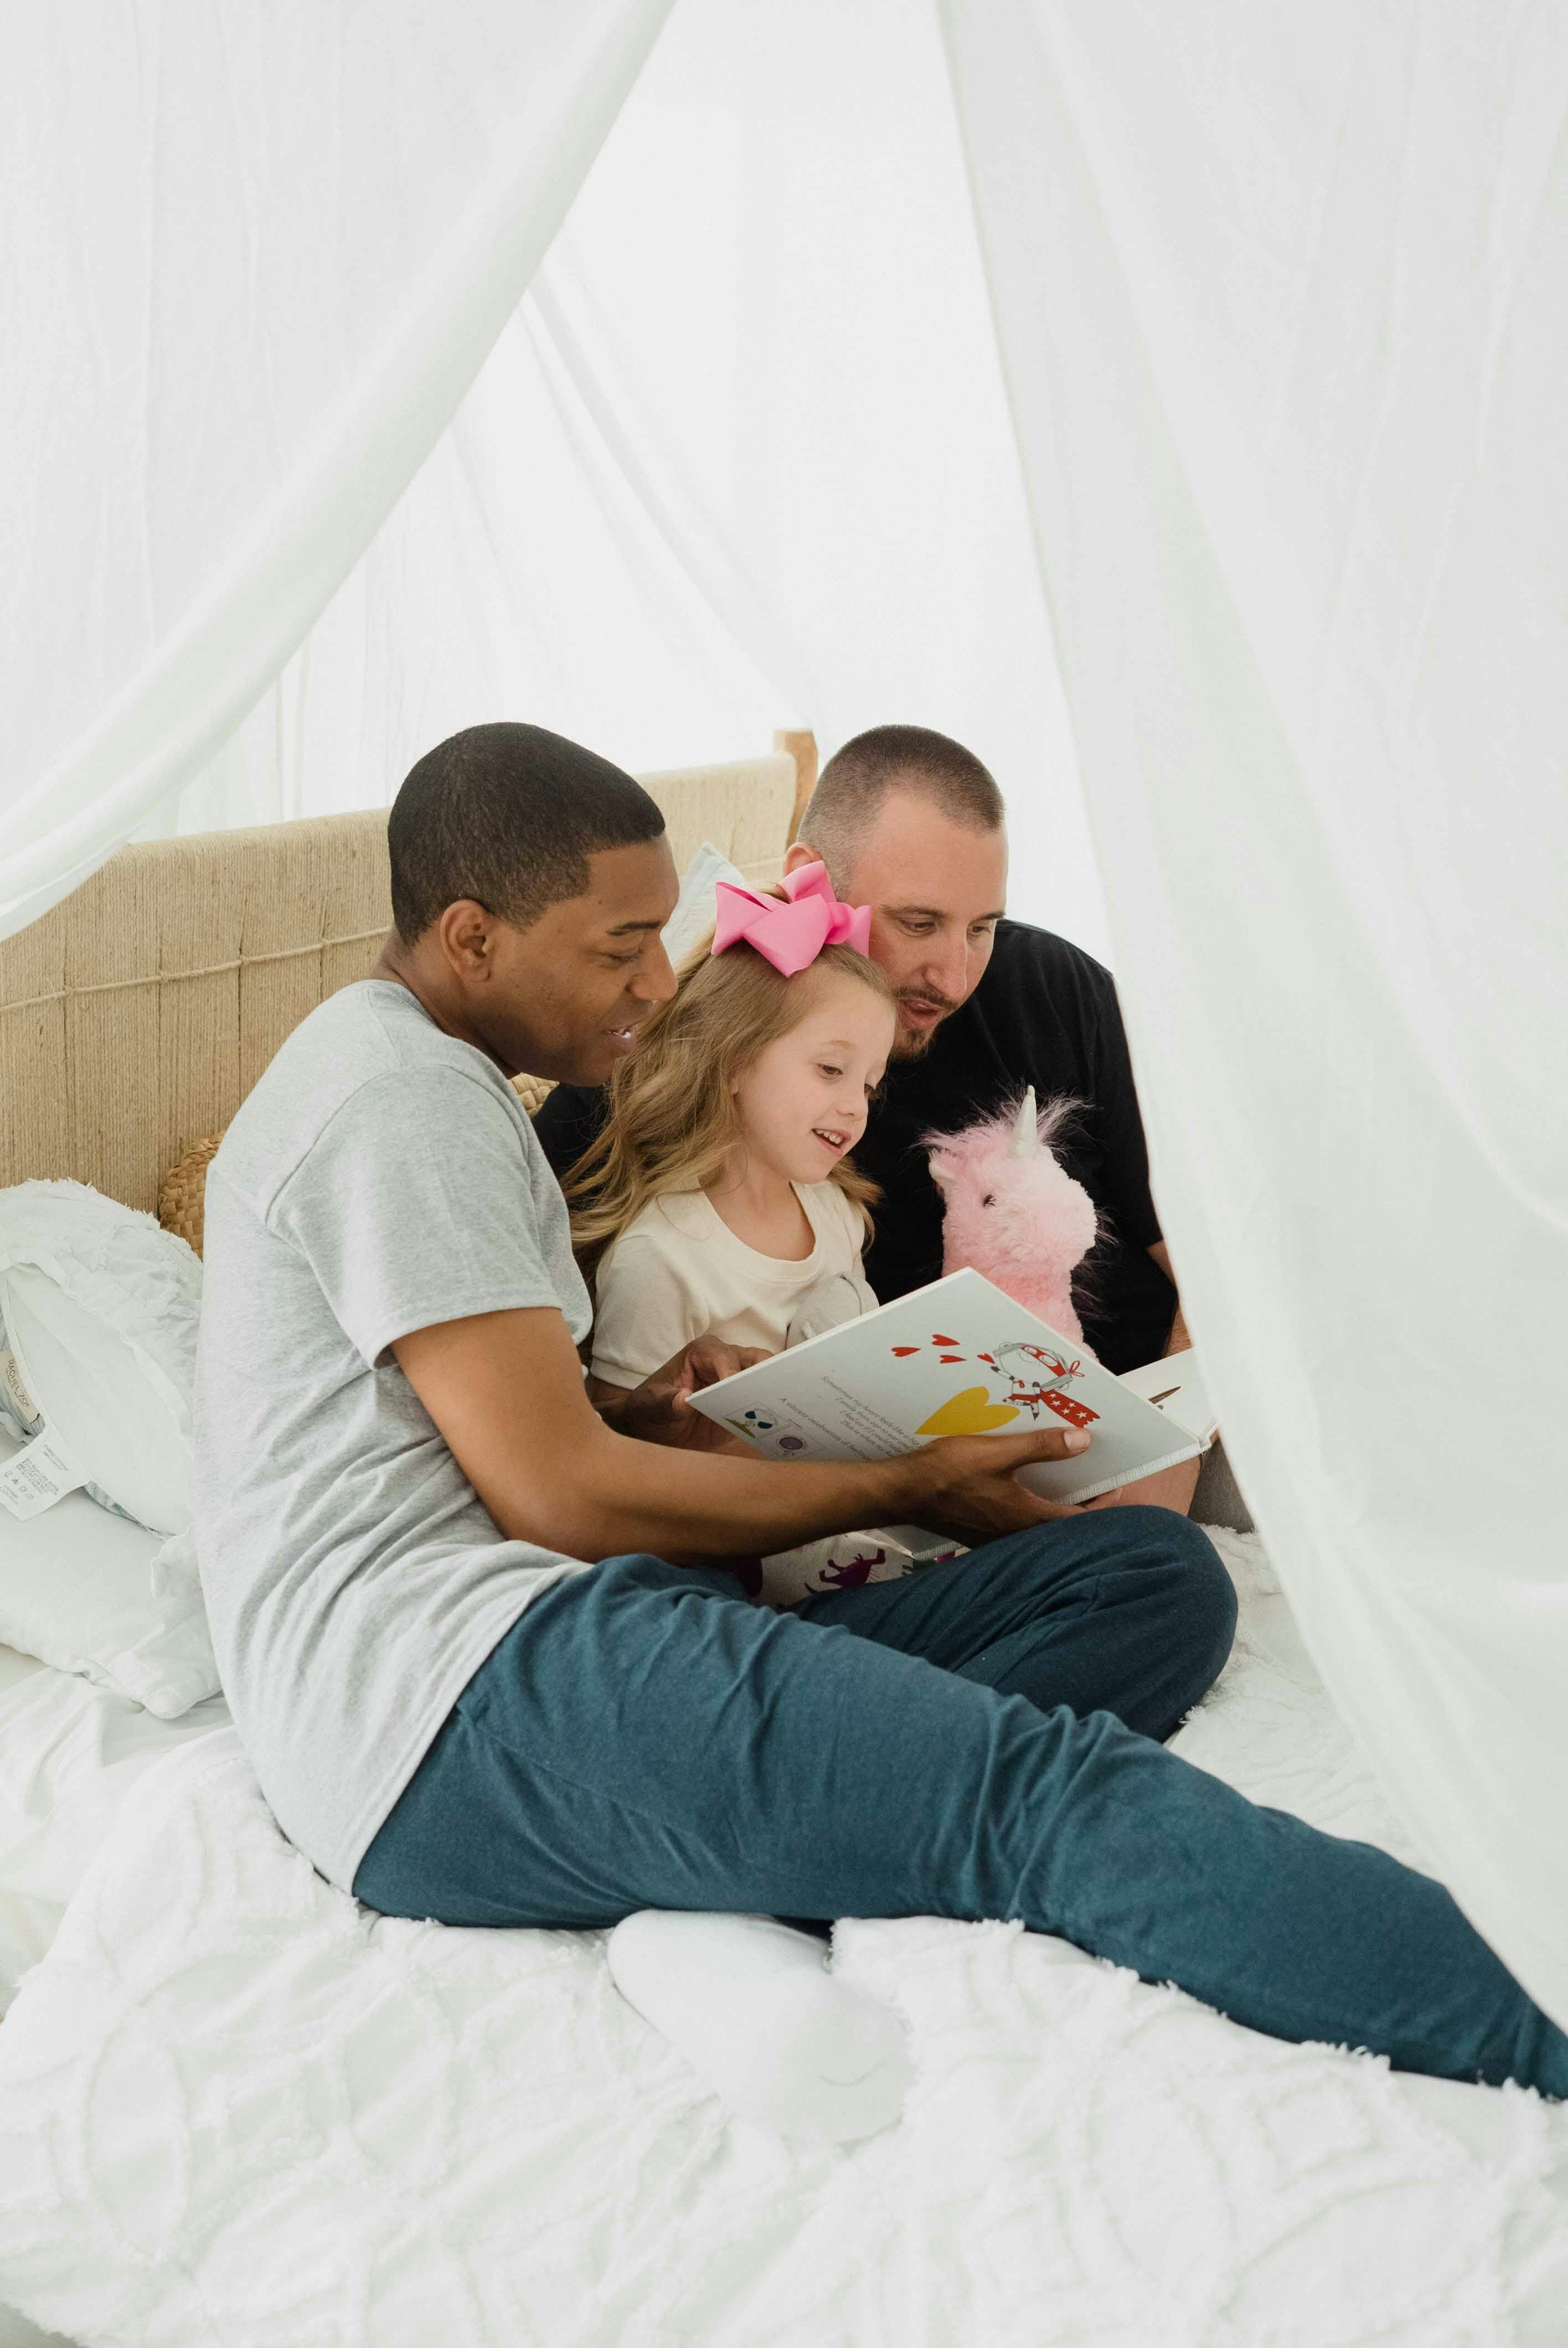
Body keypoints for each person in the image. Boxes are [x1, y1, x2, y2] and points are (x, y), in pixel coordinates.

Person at [195, 721, 1568, 2108]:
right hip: (444, 1693)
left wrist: (661, 1414)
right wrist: (902, 1482)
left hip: (521, 1659)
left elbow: (526, 1437)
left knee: (1152, 1573)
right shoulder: (402, 1099)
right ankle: (1538, 2012)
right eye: (620, 948)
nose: (651, 984)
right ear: (474, 937)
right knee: (1043, 1792)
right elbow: (558, 1497)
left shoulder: (429, 1084)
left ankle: (765, 1830)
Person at [573, 864, 921, 1604]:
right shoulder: (660, 1256)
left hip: (858, 1510)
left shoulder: (835, 1212)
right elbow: (622, 1460)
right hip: (733, 1552)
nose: (855, 1108)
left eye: (868, 1084)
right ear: (732, 1059)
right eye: (830, 1069)